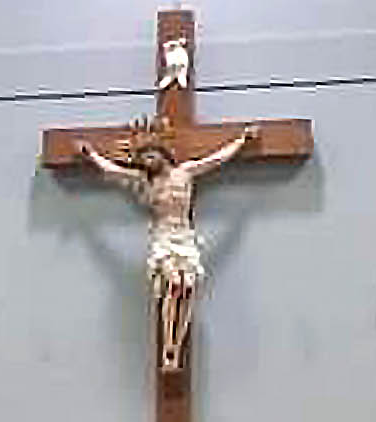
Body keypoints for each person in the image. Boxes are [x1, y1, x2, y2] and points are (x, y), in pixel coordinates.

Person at [77, 124, 257, 373]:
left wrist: (241, 141)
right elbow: (113, 170)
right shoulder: (144, 180)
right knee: (172, 286)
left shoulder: (185, 172)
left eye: (151, 155)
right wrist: (91, 154)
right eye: (144, 159)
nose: (148, 161)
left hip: (185, 237)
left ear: (162, 153)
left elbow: (217, 159)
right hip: (164, 237)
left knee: (187, 289)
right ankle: (168, 347)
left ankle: (176, 347)